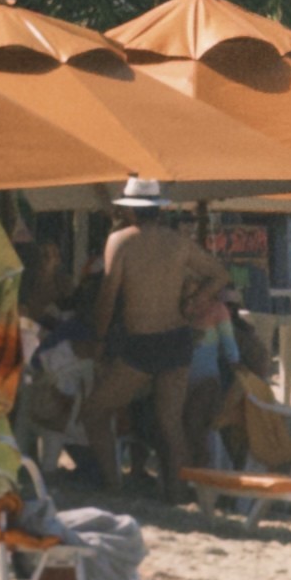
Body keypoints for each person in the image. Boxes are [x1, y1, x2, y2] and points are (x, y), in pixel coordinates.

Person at [77, 178, 226, 491]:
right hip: (176, 339)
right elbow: (219, 274)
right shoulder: (179, 242)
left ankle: (112, 484)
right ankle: (178, 492)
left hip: (141, 344)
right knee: (170, 424)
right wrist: (195, 300)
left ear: (130, 210)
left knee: (94, 411)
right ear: (158, 209)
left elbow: (107, 297)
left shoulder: (120, 241)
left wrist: (99, 340)